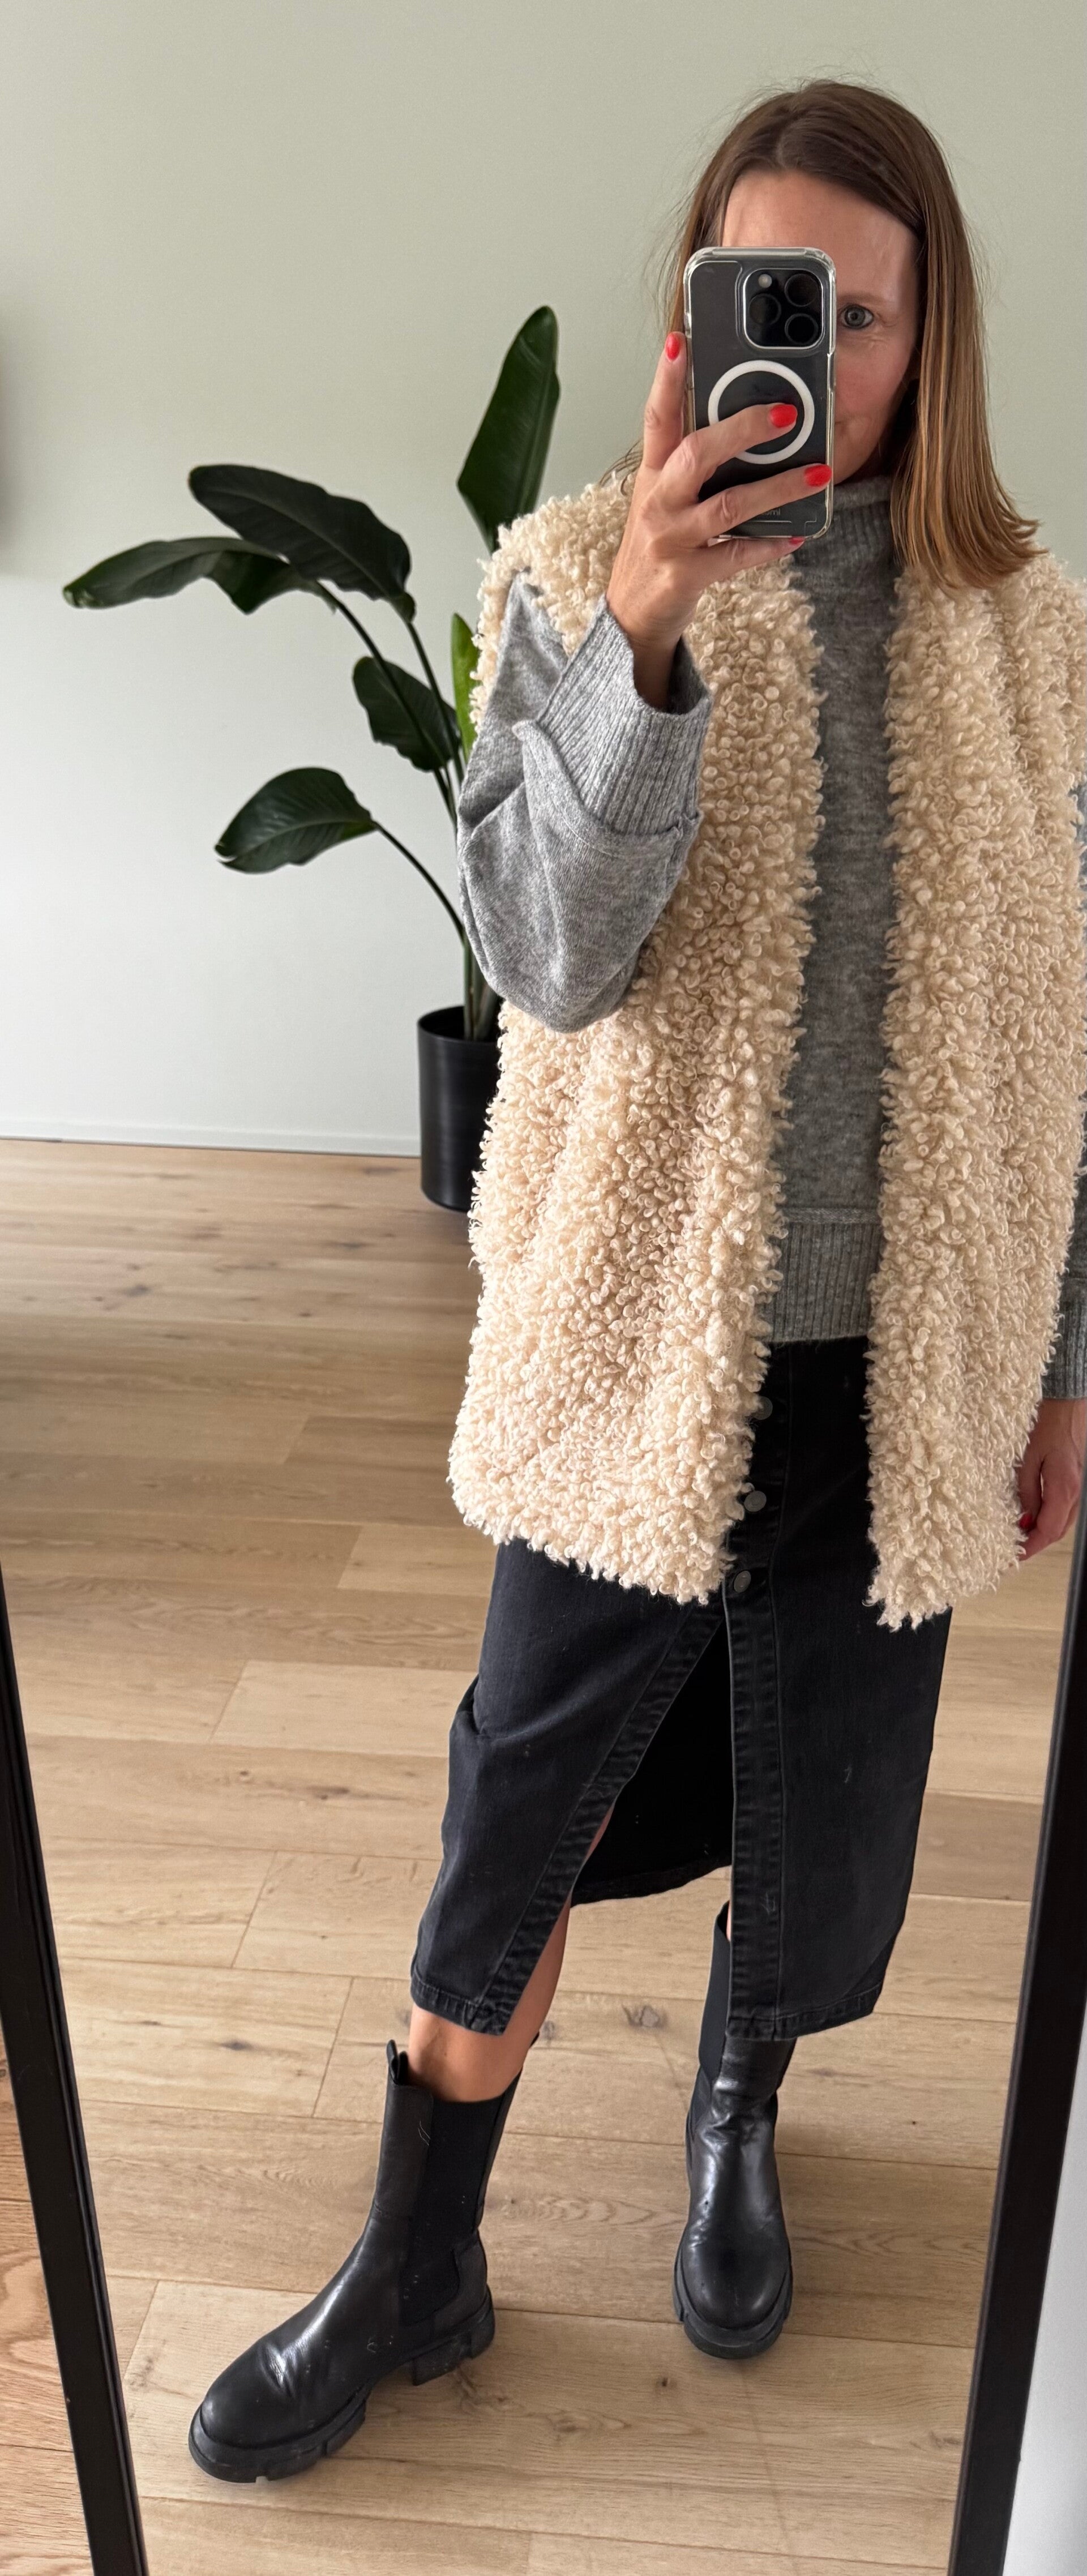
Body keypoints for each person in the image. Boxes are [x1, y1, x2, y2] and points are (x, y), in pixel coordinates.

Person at [188, 79, 1087, 2483]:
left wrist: (1066, 1358)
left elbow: (1063, 1032)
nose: (815, 353)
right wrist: (650, 640)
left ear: (929, 338)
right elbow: (549, 962)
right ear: (695, 307)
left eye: (861, 315)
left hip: (900, 1368)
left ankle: (737, 2106)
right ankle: (417, 2261)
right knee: (522, 1811)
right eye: (768, 293)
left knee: (818, 1814)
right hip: (633, 1354)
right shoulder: (577, 572)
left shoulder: (1029, 633)